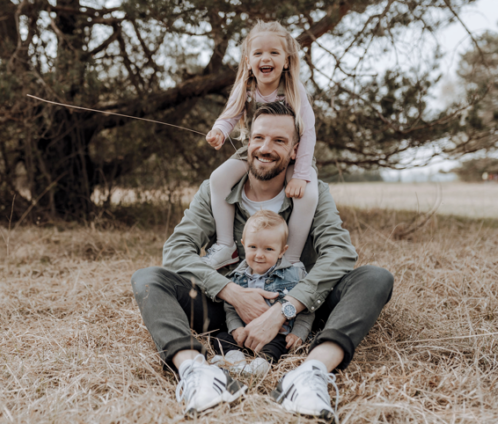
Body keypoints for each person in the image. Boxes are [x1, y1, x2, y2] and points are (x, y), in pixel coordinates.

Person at [131, 101, 394, 419]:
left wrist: (285, 310)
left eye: (279, 141)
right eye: (259, 138)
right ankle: (199, 373)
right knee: (148, 279)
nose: (266, 148)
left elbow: (339, 253)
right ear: (248, 142)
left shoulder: (313, 192)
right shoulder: (216, 190)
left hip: (298, 308)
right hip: (225, 307)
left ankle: (310, 374)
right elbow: (177, 249)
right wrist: (233, 294)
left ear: (295, 151)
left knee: (375, 278)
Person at [202, 21, 318, 272]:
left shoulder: (293, 88)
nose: (266, 58)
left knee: (307, 195)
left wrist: (300, 174)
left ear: (286, 61)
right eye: (258, 53)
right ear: (248, 61)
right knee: (218, 178)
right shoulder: (246, 86)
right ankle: (225, 245)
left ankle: (291, 261)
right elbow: (230, 115)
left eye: (274, 53)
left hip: (296, 154)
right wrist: (219, 131)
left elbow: (308, 132)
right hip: (255, 151)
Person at [212, 210, 314, 377]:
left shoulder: (294, 275)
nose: (259, 255)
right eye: (253, 247)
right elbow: (230, 308)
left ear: (282, 251)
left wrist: (298, 333)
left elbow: (306, 308)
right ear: (244, 244)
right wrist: (236, 328)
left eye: (268, 249)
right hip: (245, 333)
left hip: (276, 333)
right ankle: (235, 359)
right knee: (220, 337)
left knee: (277, 346)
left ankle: (260, 366)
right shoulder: (236, 277)